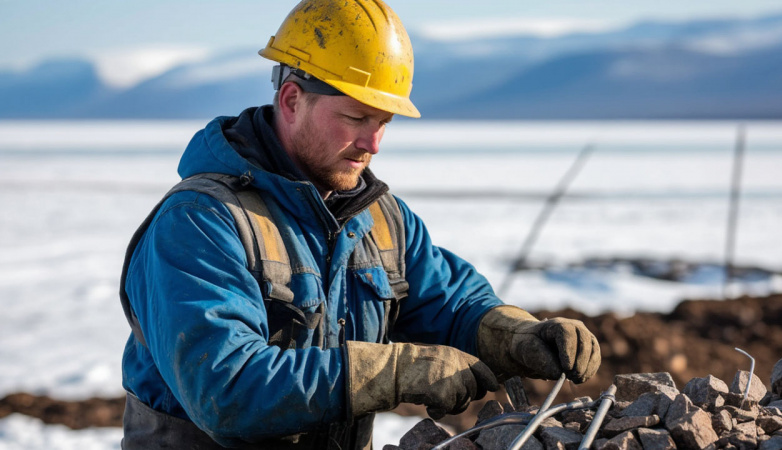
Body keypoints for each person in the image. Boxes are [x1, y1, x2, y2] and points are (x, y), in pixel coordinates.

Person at [118, 0, 601, 449]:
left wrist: (513, 333)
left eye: (384, 122)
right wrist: (389, 372)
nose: (373, 143)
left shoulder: (378, 218)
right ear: (291, 100)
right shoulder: (201, 222)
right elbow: (226, 388)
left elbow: (449, 303)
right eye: (356, 117)